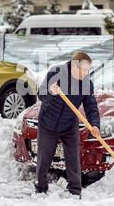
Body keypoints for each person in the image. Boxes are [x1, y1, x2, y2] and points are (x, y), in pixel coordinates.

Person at [35, 52, 101, 197]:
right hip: (48, 123)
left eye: (87, 70)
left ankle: (75, 191)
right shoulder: (56, 73)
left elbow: (91, 106)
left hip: (69, 124)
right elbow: (41, 94)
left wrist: (95, 124)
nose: (85, 73)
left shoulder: (86, 83)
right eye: (83, 70)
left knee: (73, 158)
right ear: (74, 66)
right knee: (44, 157)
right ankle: (40, 188)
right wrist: (51, 92)